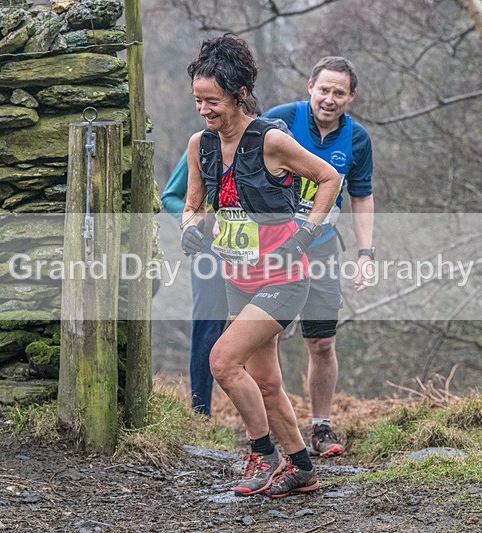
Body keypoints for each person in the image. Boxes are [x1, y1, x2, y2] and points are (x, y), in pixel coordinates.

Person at [181, 34, 341, 497]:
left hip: (284, 277)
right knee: (267, 382)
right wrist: (190, 227)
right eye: (198, 101)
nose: (205, 110)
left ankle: (261, 453)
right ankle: (302, 467)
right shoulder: (201, 145)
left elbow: (329, 177)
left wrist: (307, 234)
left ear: (238, 93)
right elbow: (194, 206)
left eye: (212, 101)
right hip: (238, 277)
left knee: (223, 361)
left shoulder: (270, 139)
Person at [263, 56, 375, 458]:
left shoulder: (357, 139)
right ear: (310, 86)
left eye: (339, 93)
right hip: (273, 247)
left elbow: (362, 195)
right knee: (266, 336)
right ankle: (269, 425)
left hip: (323, 247)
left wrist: (366, 253)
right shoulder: (280, 119)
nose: (329, 99)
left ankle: (321, 427)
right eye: (324, 89)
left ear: (351, 97)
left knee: (323, 342)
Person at [160, 96, 264, 417]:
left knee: (256, 336)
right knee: (208, 326)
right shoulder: (204, 146)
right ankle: (200, 413)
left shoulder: (266, 144)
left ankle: (257, 416)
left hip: (255, 253)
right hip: (211, 249)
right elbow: (173, 197)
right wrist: (200, 224)